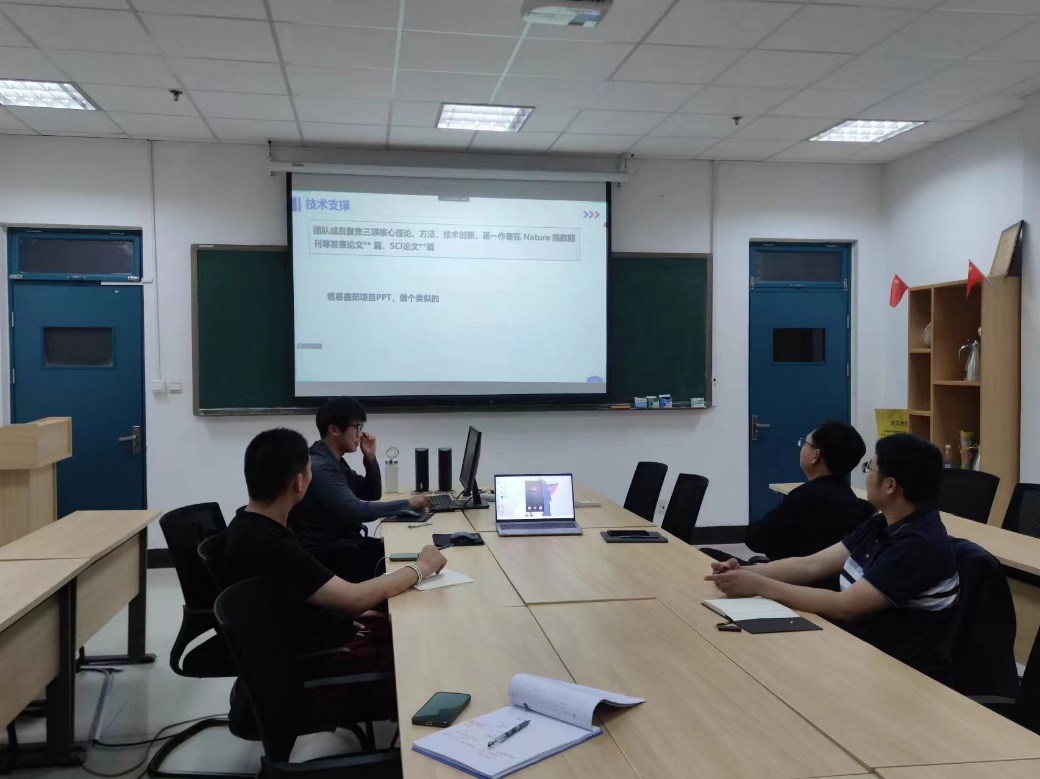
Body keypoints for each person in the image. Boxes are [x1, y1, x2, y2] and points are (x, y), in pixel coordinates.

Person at [706, 433, 959, 678]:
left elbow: (845, 606)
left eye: (870, 468)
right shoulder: (883, 522)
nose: (866, 475)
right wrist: (743, 571)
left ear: (890, 485)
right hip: (854, 647)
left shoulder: (918, 544)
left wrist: (759, 585)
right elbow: (812, 565)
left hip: (891, 669)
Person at [222, 427, 446, 674]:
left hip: (308, 640)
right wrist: (421, 567)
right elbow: (354, 598)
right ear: (299, 482)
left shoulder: (248, 524)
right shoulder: (270, 544)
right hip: (317, 661)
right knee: (422, 650)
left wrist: (342, 619)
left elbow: (299, 595)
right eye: (310, 471)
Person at [289, 397, 429, 583]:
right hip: (334, 559)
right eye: (357, 427)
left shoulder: (332, 460)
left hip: (348, 548)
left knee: (413, 551)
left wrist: (369, 457)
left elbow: (371, 493)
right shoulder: (321, 468)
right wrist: (407, 504)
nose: (360, 434)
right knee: (415, 563)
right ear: (334, 430)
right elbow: (356, 510)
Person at [744, 421, 872, 561]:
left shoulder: (806, 497)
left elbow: (755, 539)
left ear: (815, 455)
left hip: (790, 572)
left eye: (805, 444)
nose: (801, 448)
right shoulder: (848, 497)